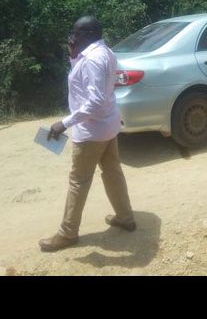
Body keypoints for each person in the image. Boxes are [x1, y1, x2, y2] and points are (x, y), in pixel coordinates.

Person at [39, 16, 136, 252]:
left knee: (78, 181)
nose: (72, 37)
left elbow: (95, 101)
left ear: (88, 34)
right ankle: (125, 217)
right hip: (108, 126)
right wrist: (73, 56)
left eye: (76, 33)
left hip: (92, 131)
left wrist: (64, 123)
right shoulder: (104, 52)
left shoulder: (92, 59)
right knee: (113, 172)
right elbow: (87, 84)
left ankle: (67, 233)